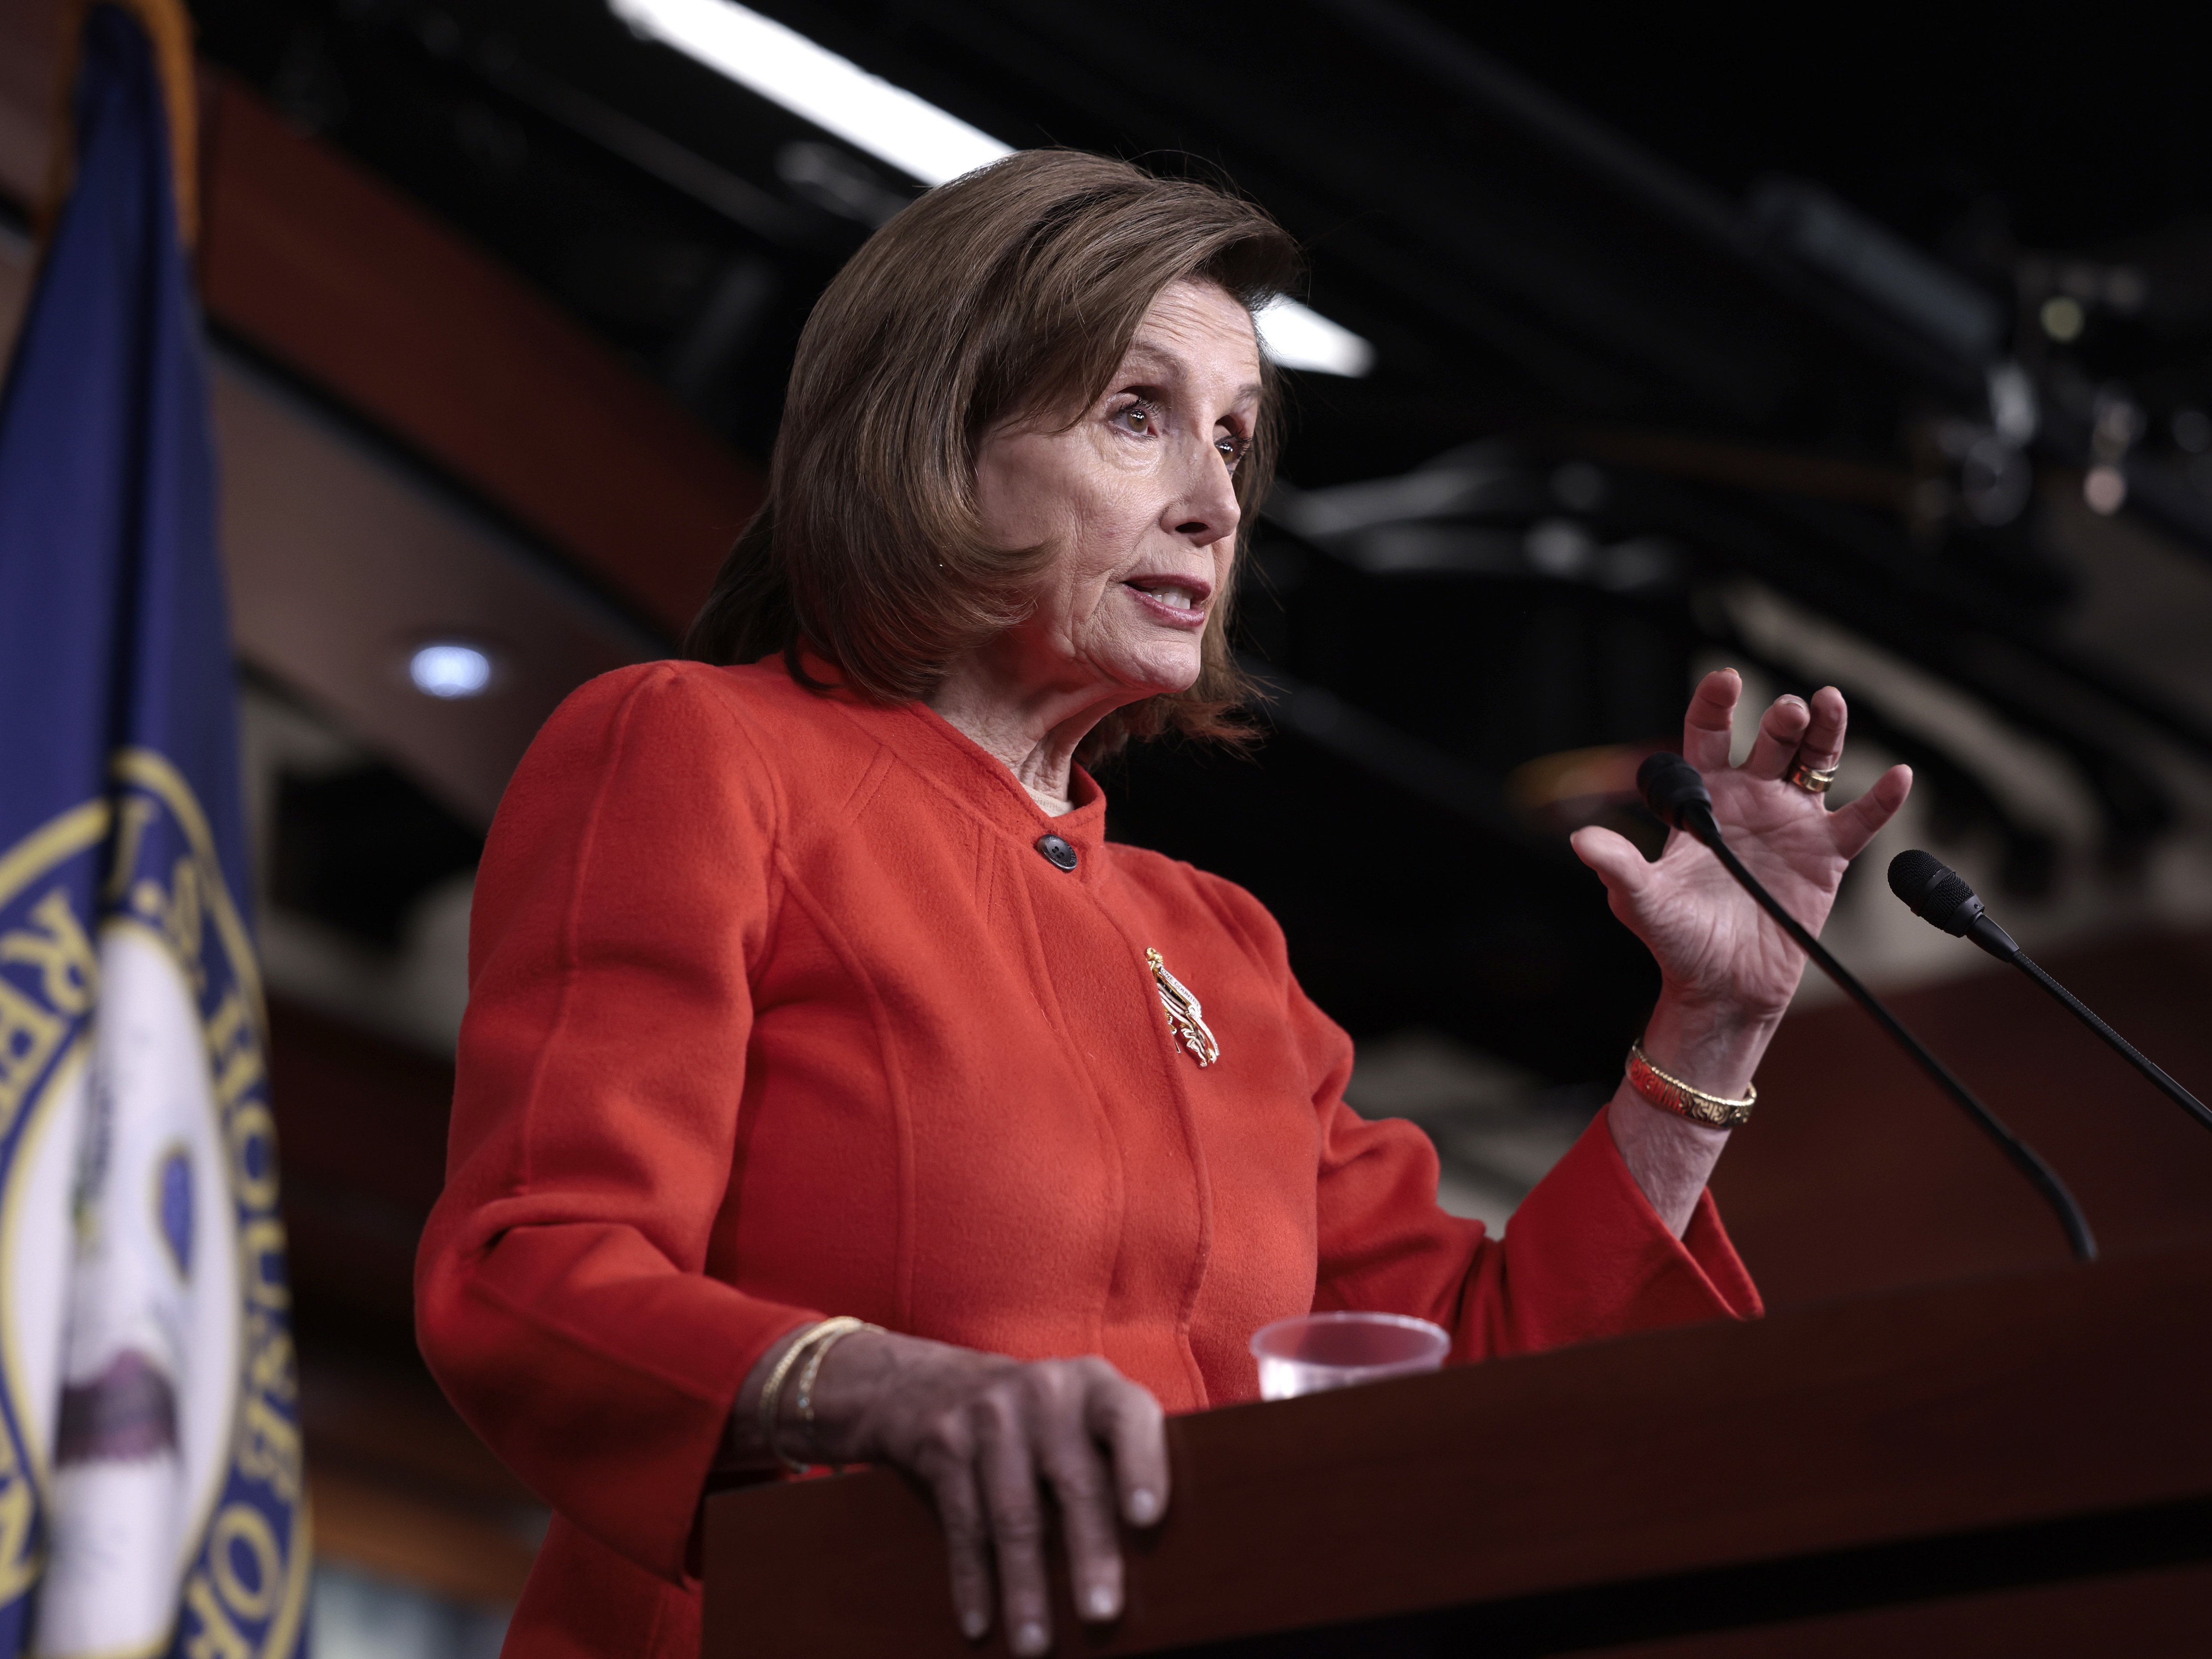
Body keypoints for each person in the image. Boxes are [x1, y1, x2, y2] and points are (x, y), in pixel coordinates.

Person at [415, 150, 1909, 1659]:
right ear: (934, 436)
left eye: (1235, 442)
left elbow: (1463, 1370)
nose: (1212, 503)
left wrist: (1711, 1027)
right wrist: (880, 1386)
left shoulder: (1220, 943)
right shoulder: (696, 749)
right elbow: (529, 1266)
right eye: (1139, 416)